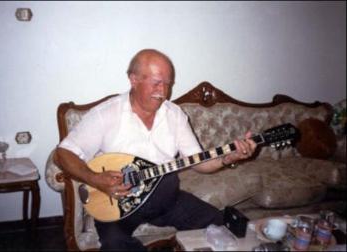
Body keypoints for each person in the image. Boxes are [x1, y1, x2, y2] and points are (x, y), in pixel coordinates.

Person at [55, 49, 257, 250]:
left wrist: (228, 158)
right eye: (156, 82)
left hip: (166, 199)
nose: (163, 91)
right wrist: (94, 179)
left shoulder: (174, 115)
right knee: (115, 244)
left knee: (225, 225)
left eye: (167, 84)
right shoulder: (106, 114)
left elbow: (199, 162)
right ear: (133, 79)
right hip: (118, 204)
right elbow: (62, 154)